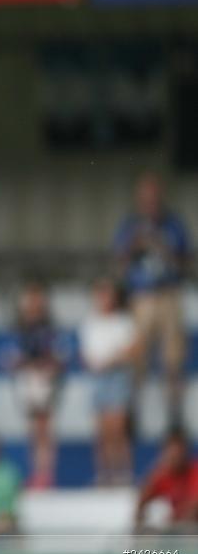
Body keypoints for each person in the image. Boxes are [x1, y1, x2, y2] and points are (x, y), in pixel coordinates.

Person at [113, 173, 190, 430]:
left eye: (154, 197)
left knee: (173, 360)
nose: (150, 202)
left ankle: (174, 417)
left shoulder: (173, 224)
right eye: (145, 198)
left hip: (168, 294)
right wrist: (135, 245)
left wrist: (160, 245)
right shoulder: (129, 225)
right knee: (137, 359)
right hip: (142, 297)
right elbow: (120, 264)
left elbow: (185, 262)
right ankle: (133, 415)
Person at [0, 281, 67, 489]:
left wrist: (40, 366)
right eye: (29, 300)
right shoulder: (23, 329)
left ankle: (46, 475)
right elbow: (17, 355)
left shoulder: (49, 328)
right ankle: (36, 473)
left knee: (44, 429)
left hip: (45, 381)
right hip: (29, 380)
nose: (32, 304)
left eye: (36, 299)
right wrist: (16, 362)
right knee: (33, 431)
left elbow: (57, 358)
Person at [79, 278, 141, 486]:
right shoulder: (90, 323)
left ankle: (123, 474)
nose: (104, 299)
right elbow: (86, 354)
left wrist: (112, 359)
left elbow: (132, 350)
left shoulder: (123, 321)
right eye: (101, 295)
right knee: (102, 431)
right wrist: (94, 363)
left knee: (118, 429)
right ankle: (104, 475)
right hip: (98, 378)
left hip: (117, 377)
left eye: (108, 295)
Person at [134, 429, 198, 533]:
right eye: (171, 453)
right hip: (180, 530)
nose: (175, 457)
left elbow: (193, 510)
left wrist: (170, 528)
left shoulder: (195, 472)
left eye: (178, 453)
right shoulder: (162, 474)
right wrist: (140, 530)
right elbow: (142, 502)